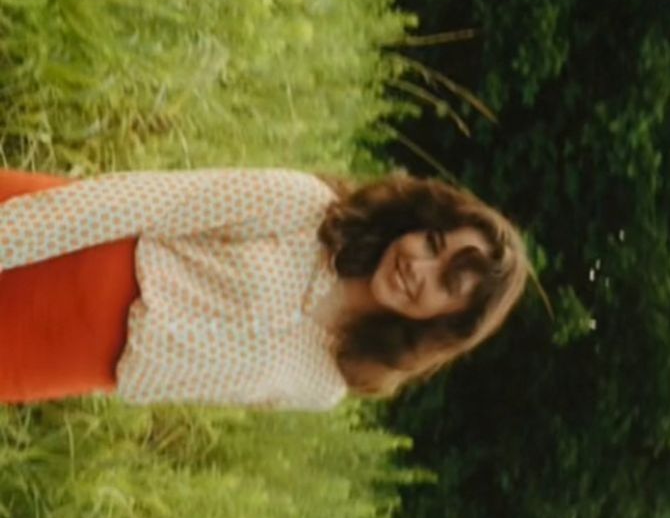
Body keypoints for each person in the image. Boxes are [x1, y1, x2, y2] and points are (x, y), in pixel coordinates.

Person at [0, 165, 528, 409]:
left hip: (60, 360)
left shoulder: (325, 383)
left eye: (444, 284)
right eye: (433, 242)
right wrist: (11, 240)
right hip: (61, 247)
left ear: (444, 324)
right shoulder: (303, 207)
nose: (419, 266)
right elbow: (145, 200)